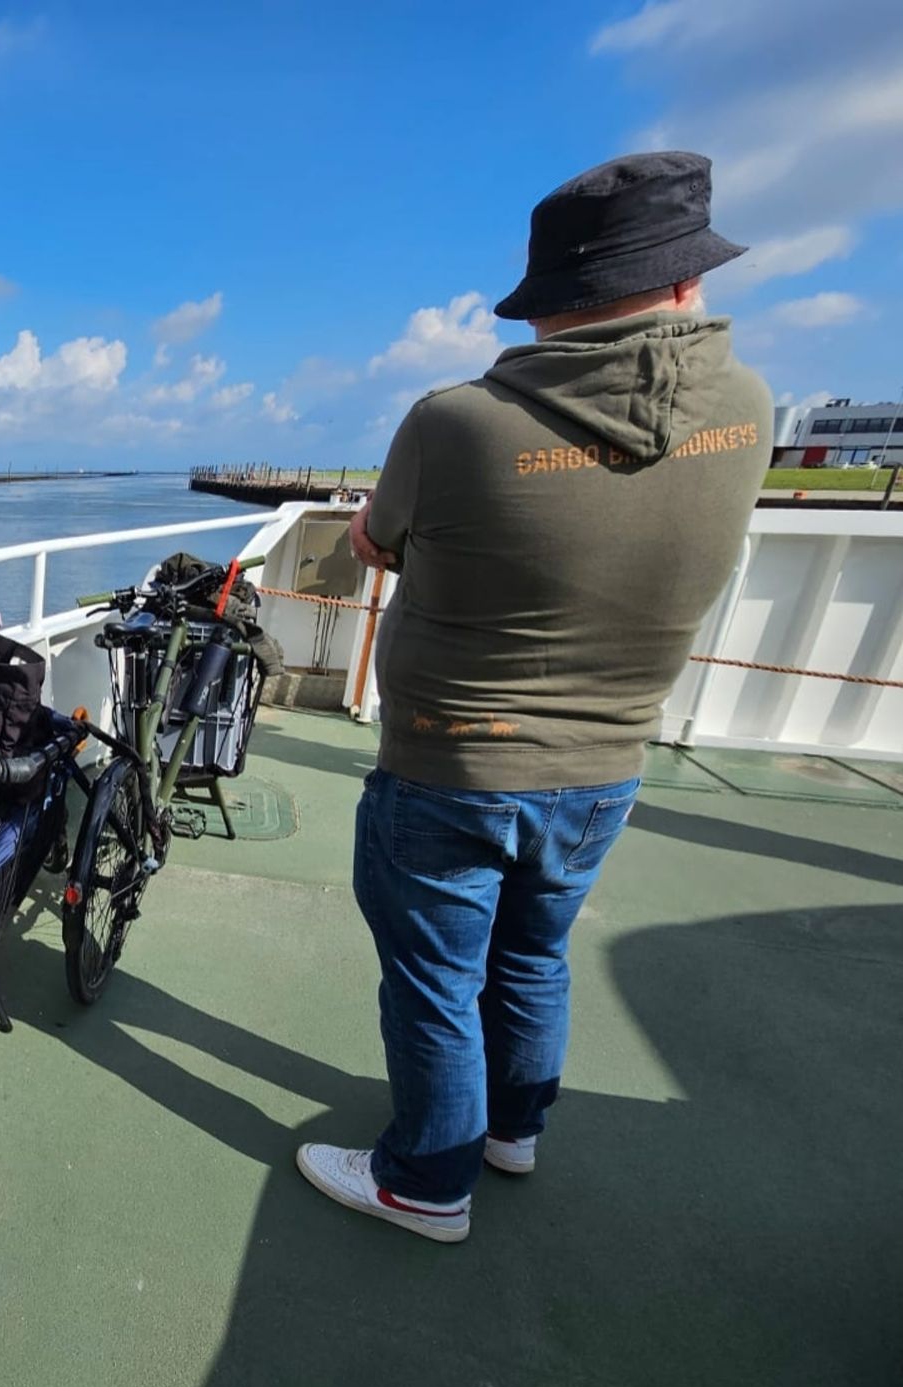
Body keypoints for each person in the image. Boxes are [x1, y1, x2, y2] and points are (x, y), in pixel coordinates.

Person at [296, 151, 772, 1243]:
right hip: (606, 767)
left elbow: (377, 543)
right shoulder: (746, 405)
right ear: (687, 282)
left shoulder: (456, 420)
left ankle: (424, 1180)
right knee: (530, 955)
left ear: (550, 296)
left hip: (449, 765)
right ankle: (511, 1130)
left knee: (433, 981)